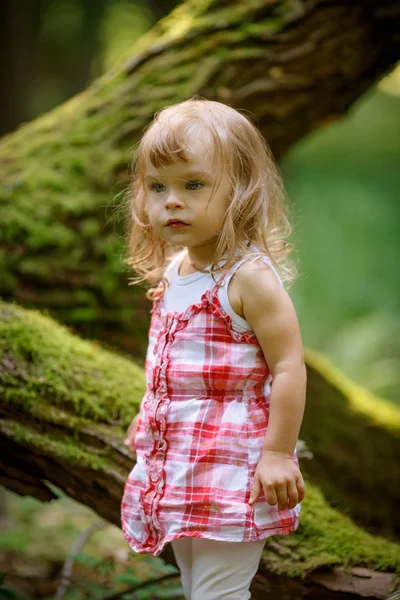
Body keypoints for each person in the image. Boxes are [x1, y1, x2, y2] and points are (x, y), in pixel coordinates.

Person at [121, 97, 307, 600]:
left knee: (219, 592)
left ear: (241, 191)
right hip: (180, 459)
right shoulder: (175, 270)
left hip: (233, 464)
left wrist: (277, 453)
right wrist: (152, 417)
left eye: (193, 184)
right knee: (196, 583)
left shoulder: (247, 278)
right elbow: (171, 365)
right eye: (157, 187)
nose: (171, 201)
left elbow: (289, 366)